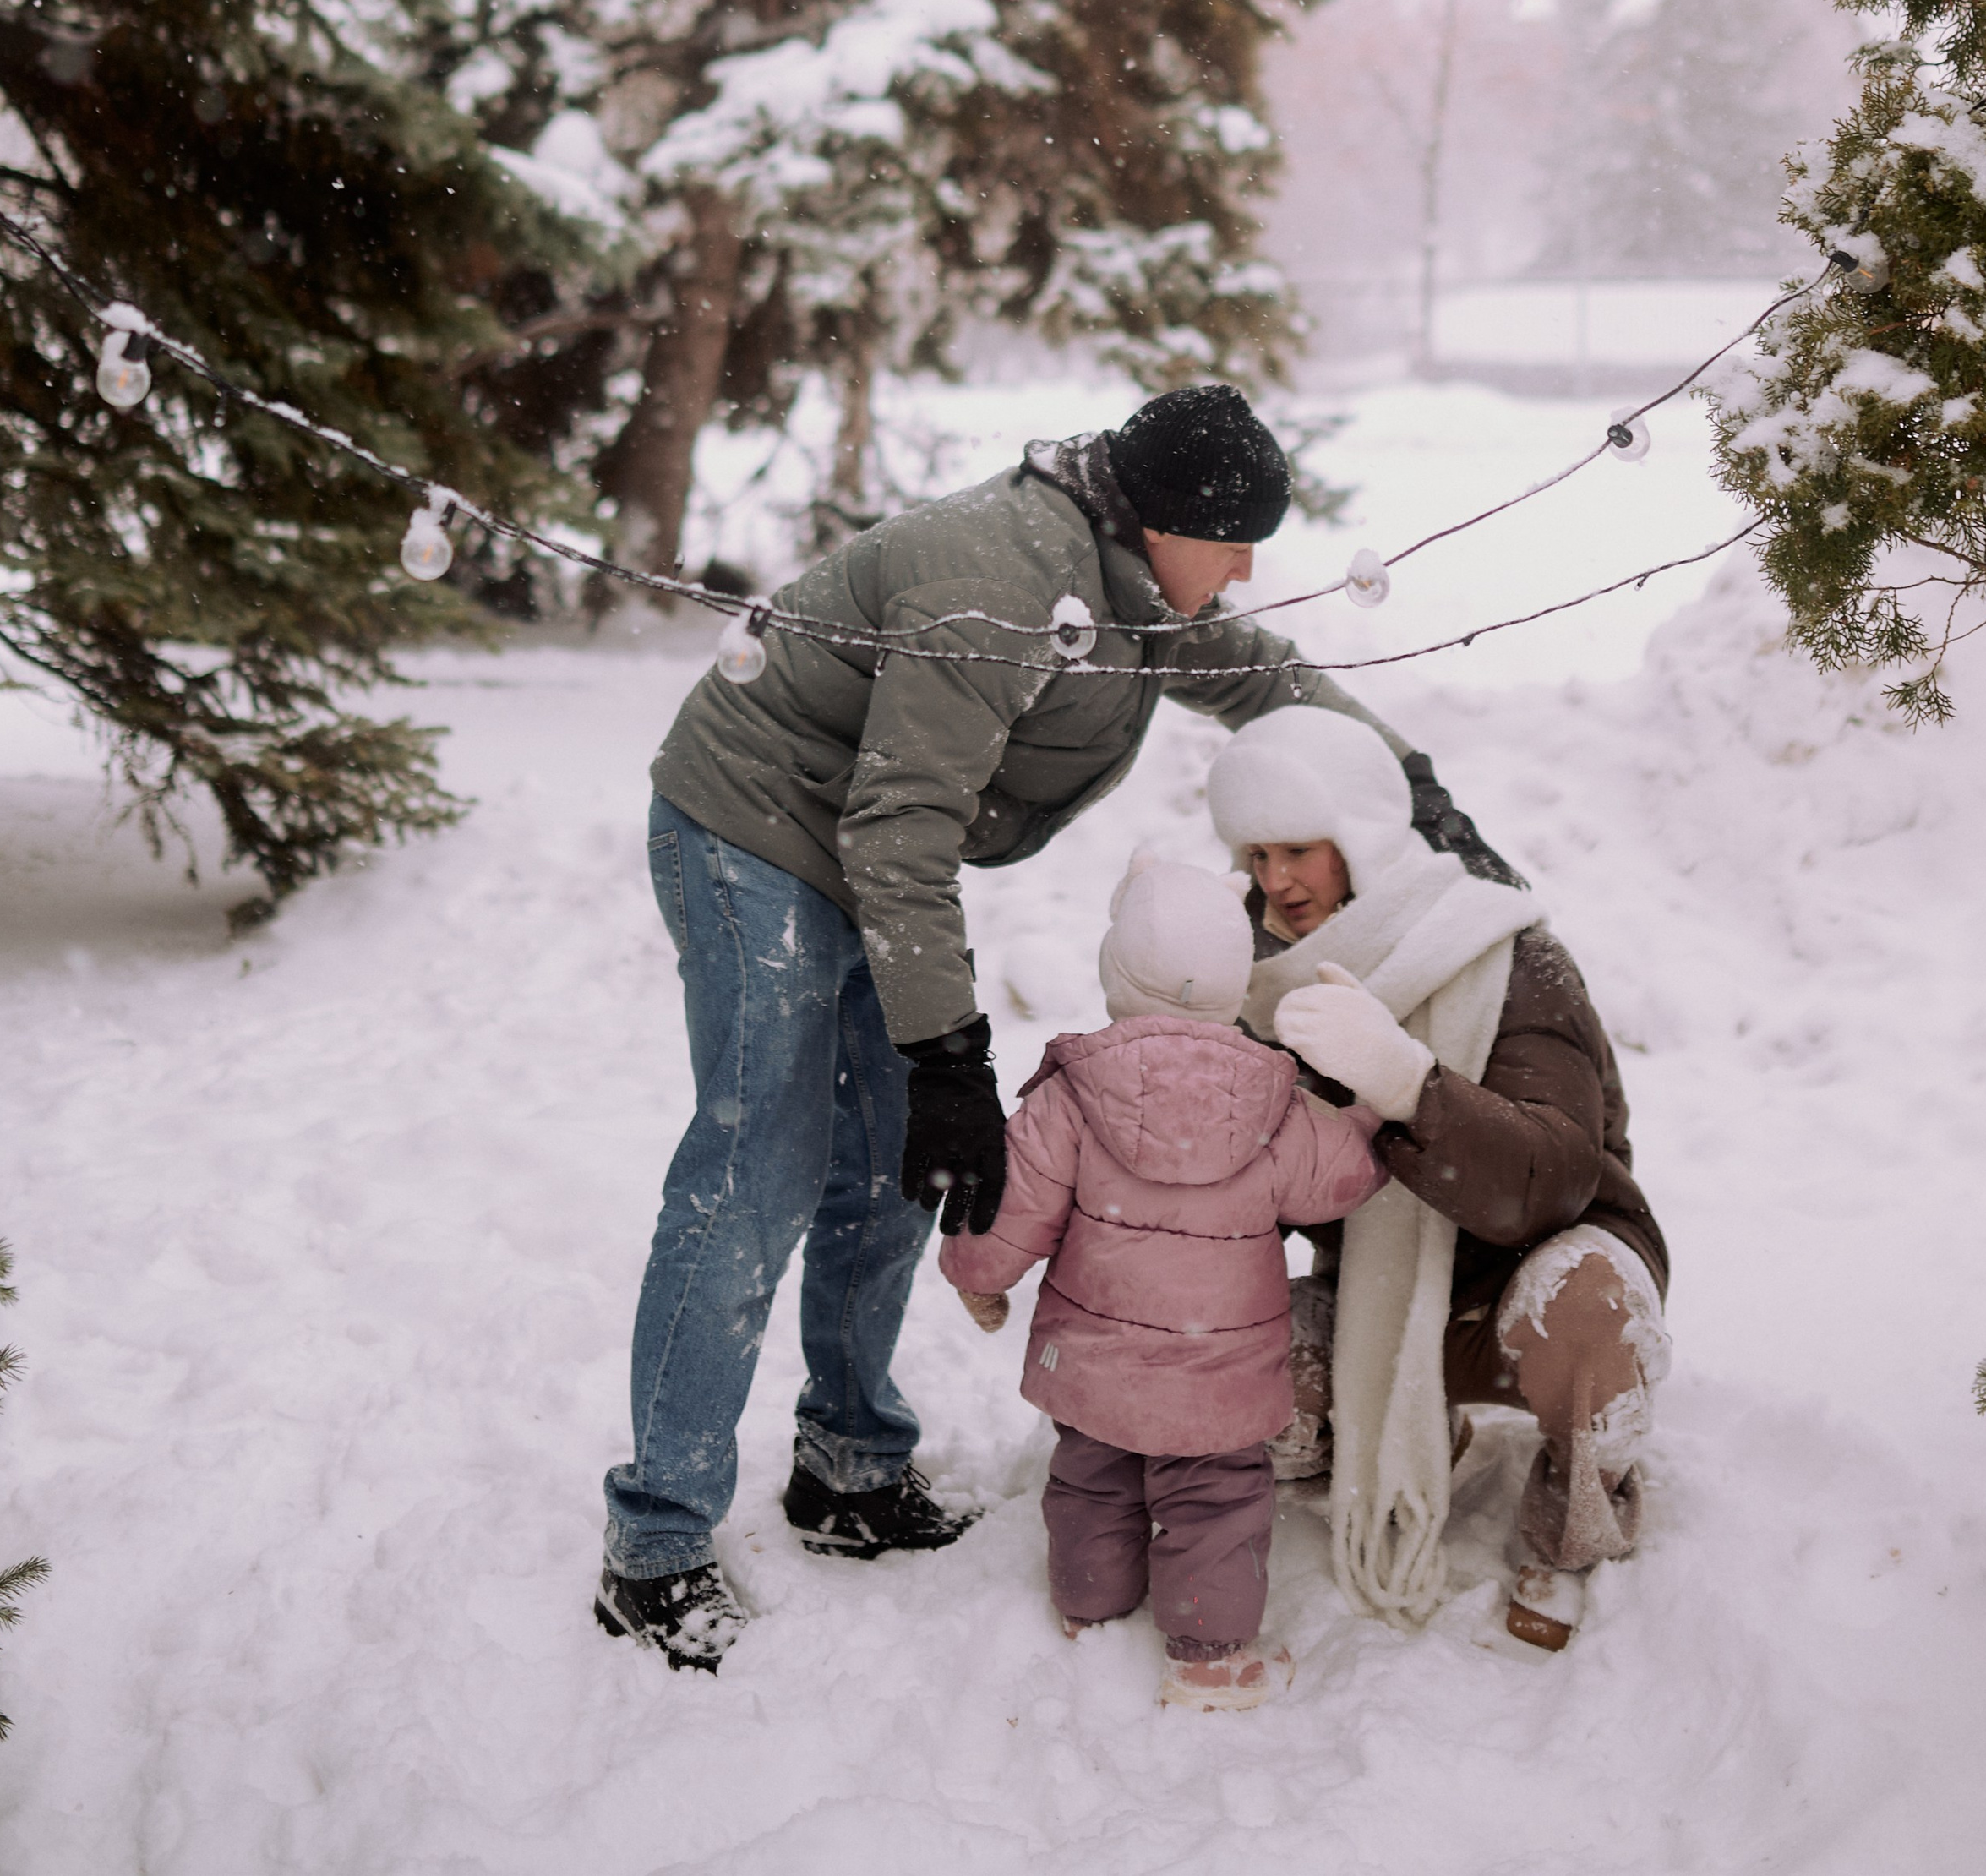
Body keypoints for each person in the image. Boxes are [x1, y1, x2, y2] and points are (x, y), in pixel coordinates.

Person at [594, 381, 1518, 1672]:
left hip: (855, 842)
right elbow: (899, 824)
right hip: (753, 825)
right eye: (1234, 539)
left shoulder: (1134, 590)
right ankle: (655, 1545)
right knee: (758, 1170)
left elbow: (1270, 680)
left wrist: (1414, 793)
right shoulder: (1007, 580)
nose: (1247, 568)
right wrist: (953, 1054)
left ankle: (848, 1470)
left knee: (889, 1173)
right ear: (1161, 518)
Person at [1204, 705, 1669, 1654]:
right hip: (1374, 1293)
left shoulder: (1506, 952)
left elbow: (1553, 1177)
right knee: (1249, 1379)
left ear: (1363, 836)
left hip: (1527, 1275)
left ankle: (1569, 1518)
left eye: (1298, 846)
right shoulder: (1262, 981)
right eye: (1255, 854)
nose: (1276, 880)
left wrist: (1411, 1086)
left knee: (1583, 1310)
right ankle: (1410, 1428)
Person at [939, 849, 1386, 1710]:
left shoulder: (1067, 1095)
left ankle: (1089, 1600)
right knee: (1217, 1497)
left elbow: (1008, 1201)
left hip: (1096, 1364)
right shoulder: (1278, 1103)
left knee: (1089, 1475)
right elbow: (1344, 1173)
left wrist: (975, 1271)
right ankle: (1210, 1655)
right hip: (1217, 1374)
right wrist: (1374, 1104)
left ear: (1115, 970)